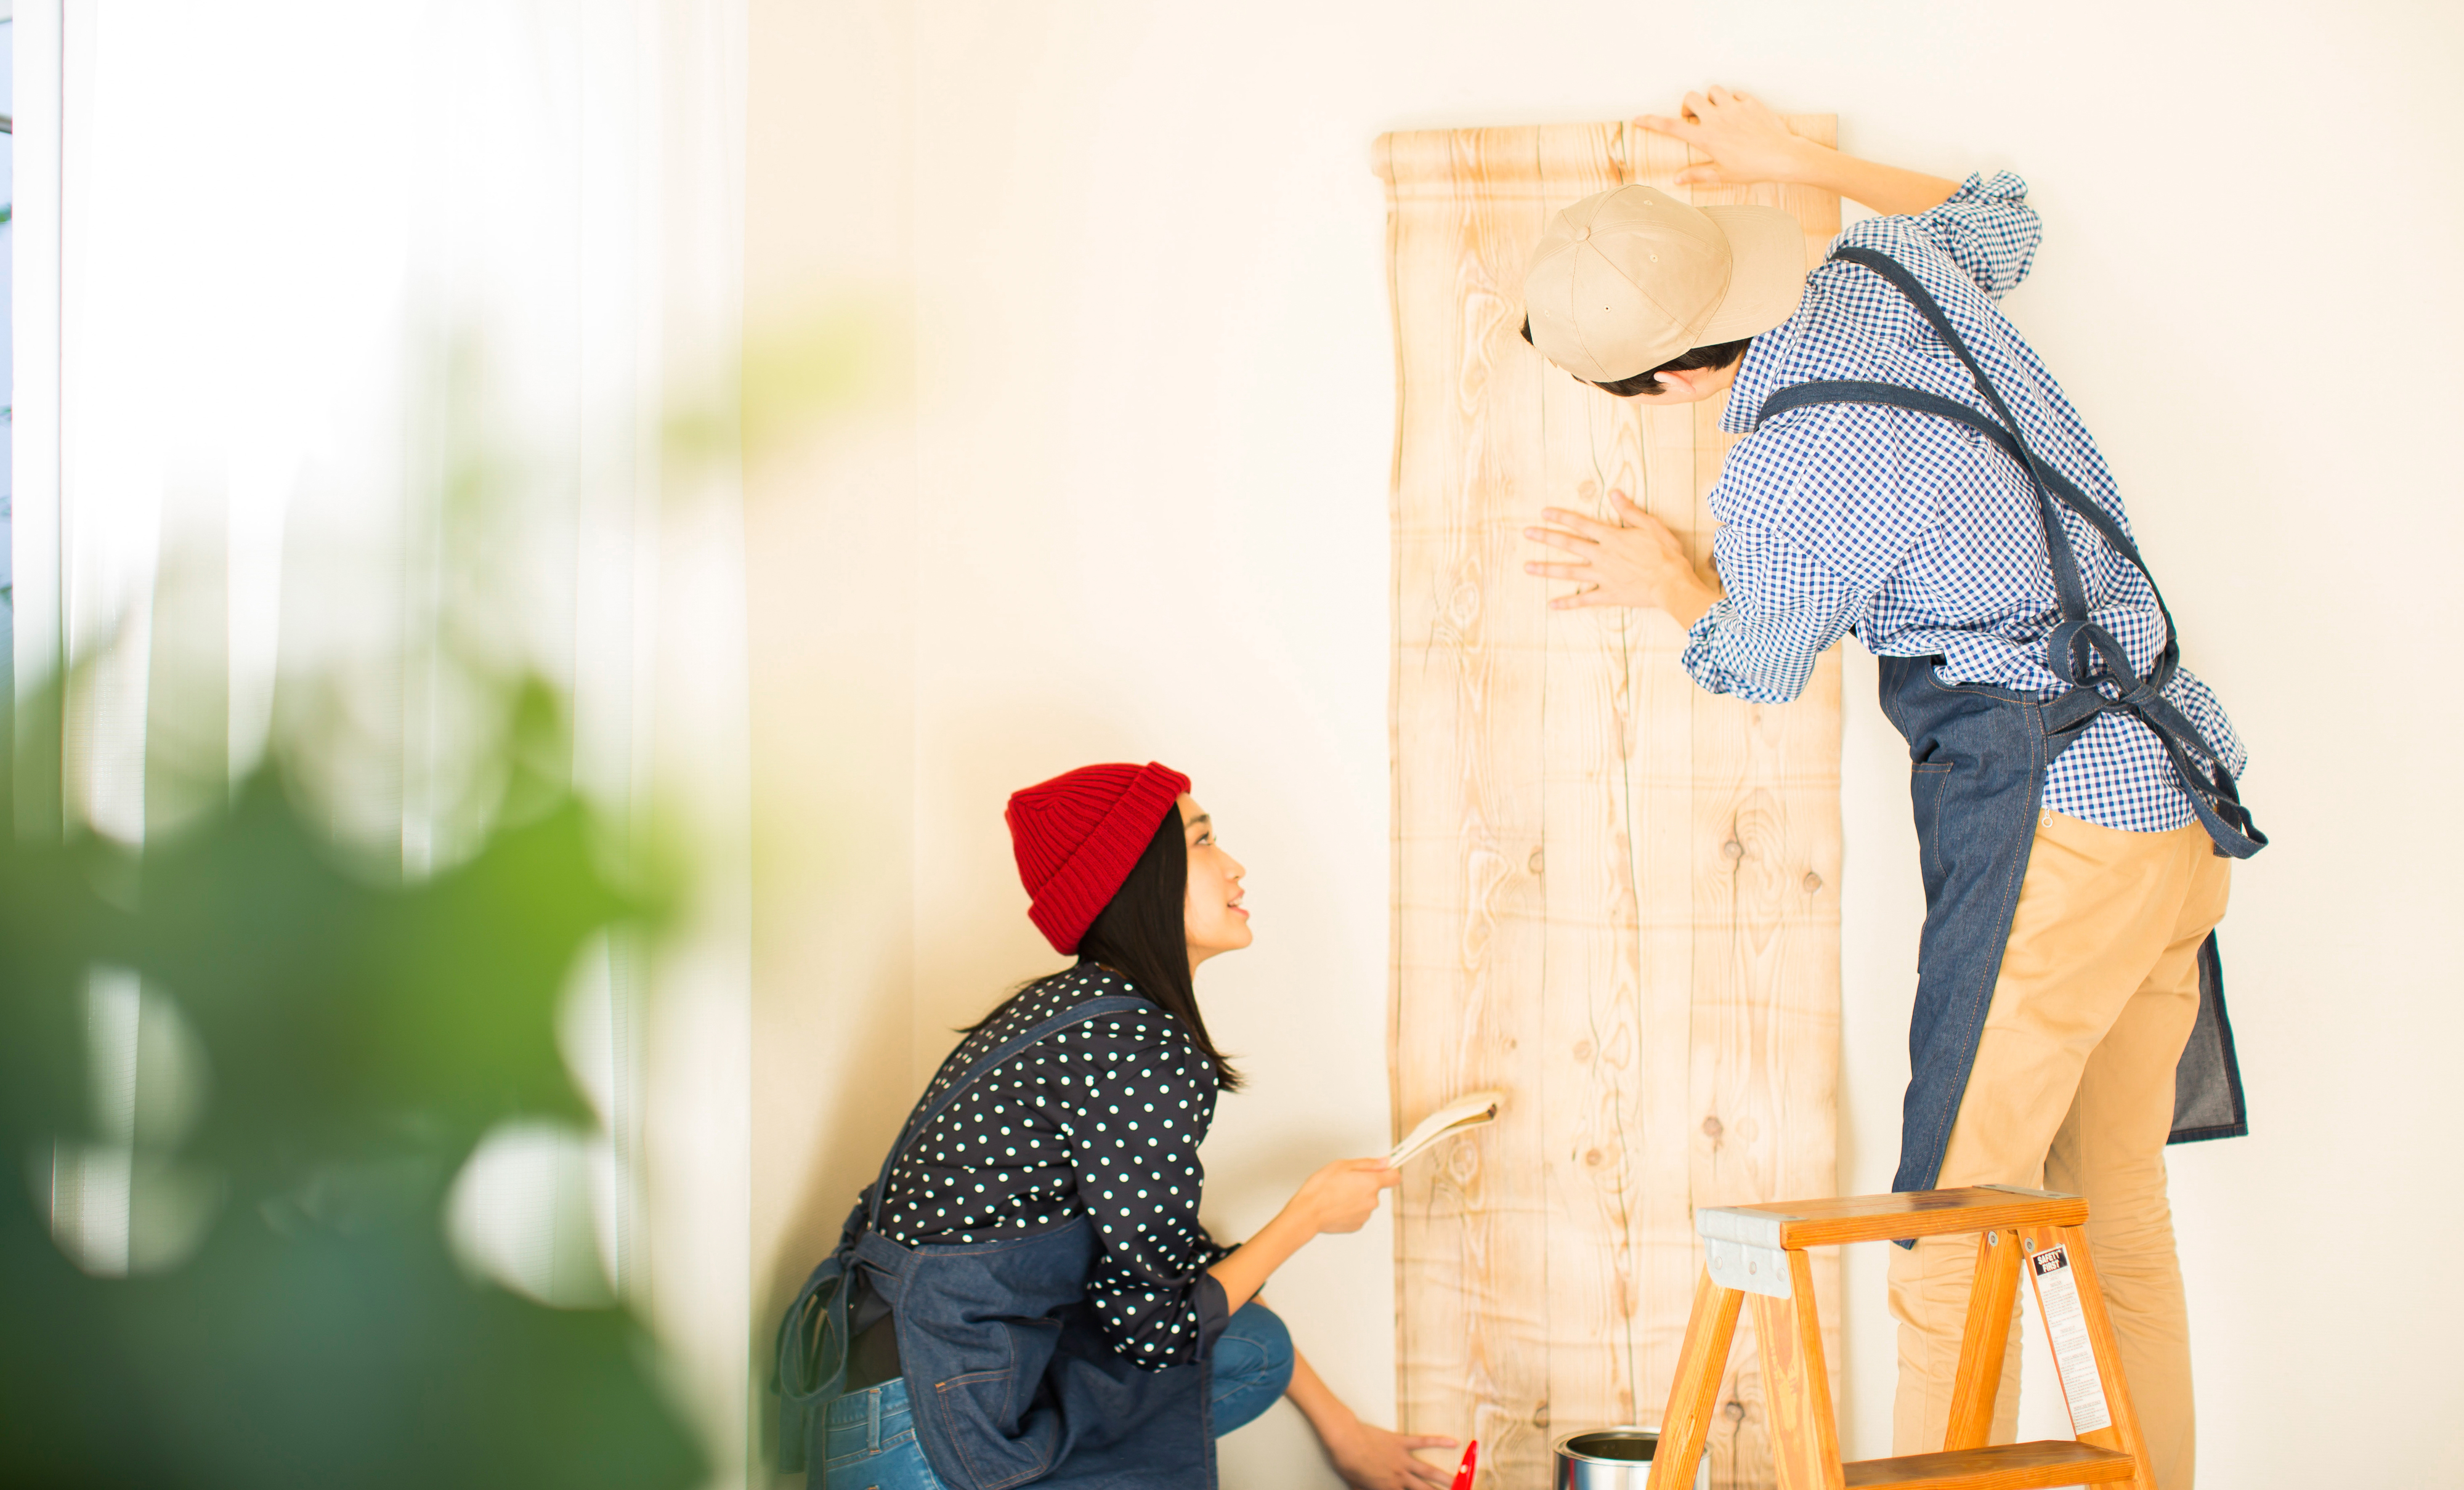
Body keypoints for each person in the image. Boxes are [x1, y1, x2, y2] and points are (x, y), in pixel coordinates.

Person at [1515, 86, 2263, 1489]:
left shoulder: (1787, 470)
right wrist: (1799, 161)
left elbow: (1752, 663)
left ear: (1669, 381)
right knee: (2115, 1220)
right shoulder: (1882, 265)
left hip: (2057, 822)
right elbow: (2004, 215)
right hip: (2168, 795)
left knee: (1945, 1239)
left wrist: (1669, 580)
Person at [777, 761, 1457, 1490]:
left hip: (904, 1396)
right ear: (1138, 877)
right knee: (1214, 1347)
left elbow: (1172, 1266)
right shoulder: (1137, 1046)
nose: (1235, 868)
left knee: (1256, 1346)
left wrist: (1344, 1433)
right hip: (929, 1441)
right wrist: (1306, 1217)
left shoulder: (1084, 1013)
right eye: (1203, 843)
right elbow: (1159, 1328)